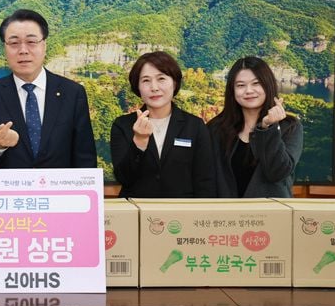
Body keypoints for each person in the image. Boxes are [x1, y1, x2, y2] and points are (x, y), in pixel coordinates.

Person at [0, 9, 97, 168]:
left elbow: (85, 156)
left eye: (31, 42)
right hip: (12, 184)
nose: (23, 50)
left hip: (59, 184)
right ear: (5, 48)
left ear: (44, 45)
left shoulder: (73, 92)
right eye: (14, 43)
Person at [110, 51, 216, 198]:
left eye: (161, 79)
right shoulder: (123, 125)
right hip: (137, 208)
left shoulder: (195, 126)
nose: (154, 87)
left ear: (174, 82)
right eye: (146, 80)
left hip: (182, 209)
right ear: (137, 87)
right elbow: (123, 178)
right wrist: (139, 142)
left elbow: (205, 181)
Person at [208, 56, 303, 198]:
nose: (249, 91)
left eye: (256, 83)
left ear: (268, 85)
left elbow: (277, 173)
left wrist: (268, 128)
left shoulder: (289, 127)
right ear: (232, 90)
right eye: (241, 85)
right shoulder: (216, 128)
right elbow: (205, 175)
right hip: (225, 211)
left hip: (270, 210)